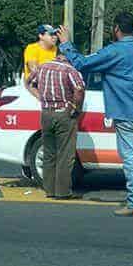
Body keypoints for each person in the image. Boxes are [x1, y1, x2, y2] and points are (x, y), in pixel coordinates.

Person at [56, 11, 133, 217]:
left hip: (126, 112)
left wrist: (66, 44)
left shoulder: (115, 51)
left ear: (116, 29)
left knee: (132, 157)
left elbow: (81, 63)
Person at [27, 50, 85, 199]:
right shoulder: (70, 70)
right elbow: (79, 89)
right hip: (64, 113)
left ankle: (49, 190)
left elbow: (29, 83)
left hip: (46, 113)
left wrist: (41, 98)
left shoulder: (43, 67)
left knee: (49, 153)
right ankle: (63, 191)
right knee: (65, 154)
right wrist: (76, 107)